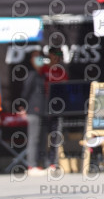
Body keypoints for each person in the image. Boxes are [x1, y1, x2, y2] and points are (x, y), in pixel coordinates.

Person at [17, 48, 49, 176]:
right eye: (36, 57)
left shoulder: (42, 74)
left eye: (40, 56)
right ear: (31, 60)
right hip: (33, 110)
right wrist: (22, 108)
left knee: (43, 139)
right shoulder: (31, 74)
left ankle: (42, 163)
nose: (38, 59)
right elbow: (25, 92)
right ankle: (32, 165)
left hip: (43, 110)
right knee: (33, 138)